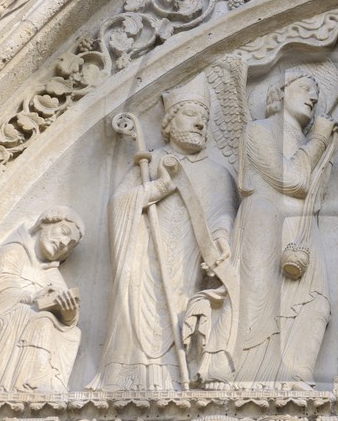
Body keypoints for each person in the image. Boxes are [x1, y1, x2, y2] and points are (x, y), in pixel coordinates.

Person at [90, 76, 236, 389]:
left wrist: (222, 240)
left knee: (179, 309)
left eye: (204, 118)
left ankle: (171, 374)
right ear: (168, 123)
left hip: (186, 261)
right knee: (136, 305)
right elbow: (119, 205)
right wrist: (158, 187)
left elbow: (222, 216)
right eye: (190, 114)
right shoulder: (151, 162)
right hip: (145, 256)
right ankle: (131, 374)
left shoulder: (217, 174)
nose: (200, 123)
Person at [224, 71, 338, 383]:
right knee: (262, 300)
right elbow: (294, 180)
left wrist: (325, 146)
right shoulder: (259, 131)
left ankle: (299, 373)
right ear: (281, 92)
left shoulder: (303, 141)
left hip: (302, 230)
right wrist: (319, 138)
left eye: (316, 93)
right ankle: (254, 376)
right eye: (305, 87)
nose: (312, 97)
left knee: (316, 301)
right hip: (266, 223)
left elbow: (314, 193)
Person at [0, 209, 83, 392]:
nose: (64, 243)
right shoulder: (13, 251)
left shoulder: (51, 272)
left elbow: (67, 316)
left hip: (30, 320)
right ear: (45, 223)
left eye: (70, 245)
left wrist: (69, 314)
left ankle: (51, 384)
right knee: (42, 319)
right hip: (3, 316)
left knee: (73, 333)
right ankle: (27, 383)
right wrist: (32, 297)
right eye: (64, 232)